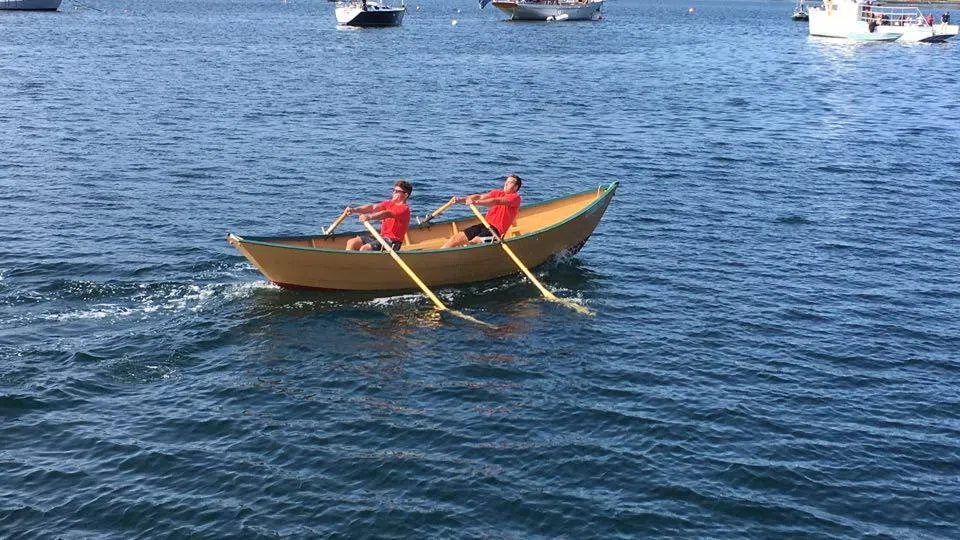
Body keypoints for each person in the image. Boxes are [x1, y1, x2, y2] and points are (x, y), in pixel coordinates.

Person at [441, 174, 522, 248]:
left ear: (516, 187)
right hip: (484, 225)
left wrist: (476, 203)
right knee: (455, 238)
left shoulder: (515, 198)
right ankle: (439, 255)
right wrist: (460, 199)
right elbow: (480, 197)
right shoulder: (497, 192)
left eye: (510, 182)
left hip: (495, 231)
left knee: (472, 243)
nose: (506, 183)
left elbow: (496, 201)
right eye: (506, 181)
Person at [344, 180, 412, 251]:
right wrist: (354, 210)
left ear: (405, 195)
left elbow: (386, 214)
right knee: (351, 242)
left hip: (393, 242)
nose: (394, 192)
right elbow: (373, 207)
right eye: (394, 190)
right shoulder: (389, 203)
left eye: (397, 191)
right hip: (381, 237)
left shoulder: (404, 209)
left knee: (365, 248)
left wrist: (369, 217)